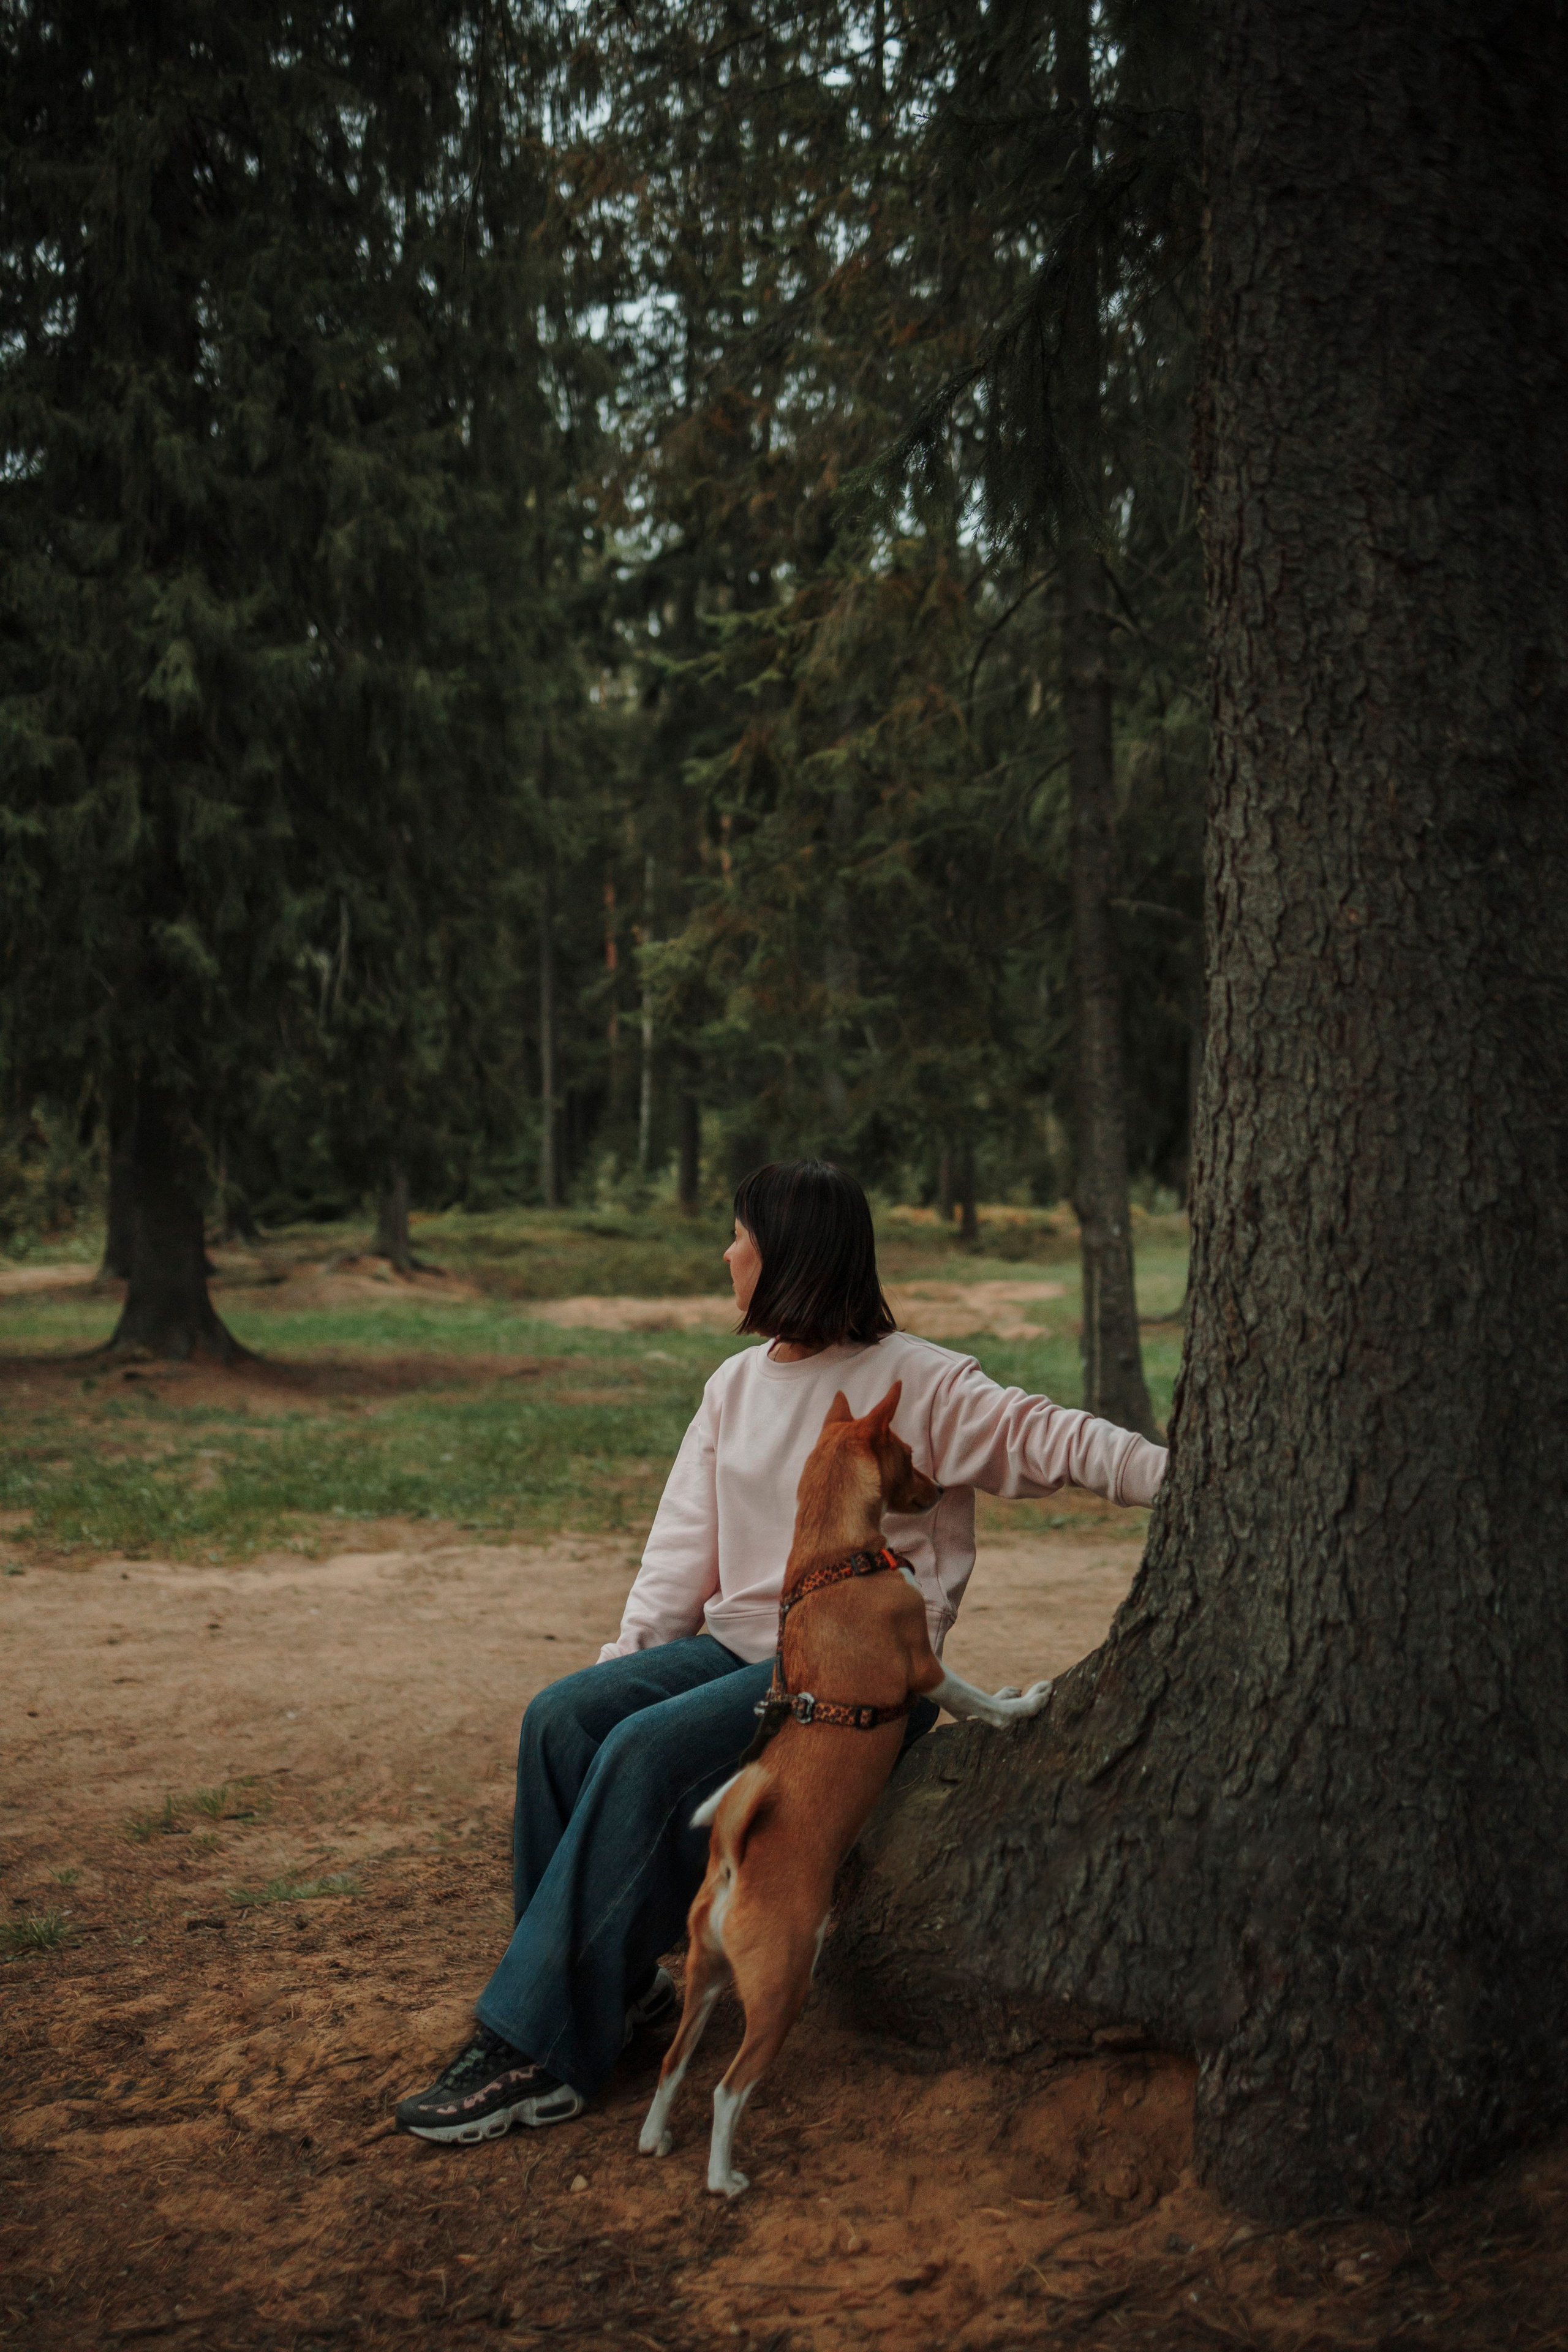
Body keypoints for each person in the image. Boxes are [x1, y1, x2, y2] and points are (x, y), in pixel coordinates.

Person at [394, 1160, 1167, 2145]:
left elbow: (1057, 1439)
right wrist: (617, 1671)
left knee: (642, 1755)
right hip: (740, 1650)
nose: (726, 1254)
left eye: (738, 1237)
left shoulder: (921, 1383)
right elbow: (681, 1553)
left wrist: (1190, 1477)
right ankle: (611, 1997)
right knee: (565, 1719)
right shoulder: (733, 1386)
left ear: (786, 1255)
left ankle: (539, 2052)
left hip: (853, 1673)